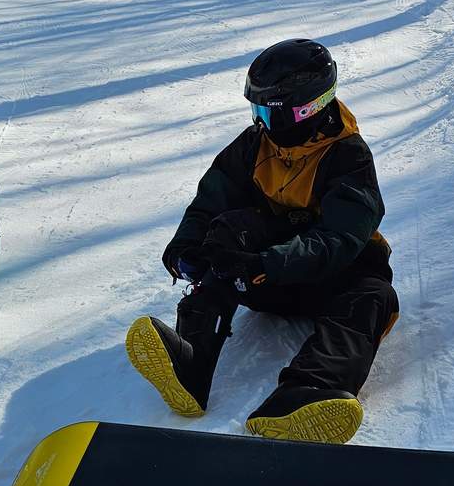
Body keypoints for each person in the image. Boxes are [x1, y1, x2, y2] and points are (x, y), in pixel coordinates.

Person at [125, 39, 399, 445]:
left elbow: (338, 239)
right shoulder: (255, 145)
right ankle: (191, 358)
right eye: (257, 112)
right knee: (226, 232)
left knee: (374, 297)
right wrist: (187, 248)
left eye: (270, 113)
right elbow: (212, 198)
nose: (261, 123)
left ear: (307, 109)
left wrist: (266, 263)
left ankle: (308, 391)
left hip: (334, 277)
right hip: (267, 278)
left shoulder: (348, 157)